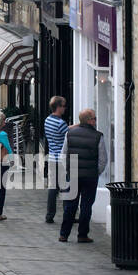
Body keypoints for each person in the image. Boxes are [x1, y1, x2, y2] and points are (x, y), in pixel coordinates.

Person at [59, 108, 107, 243]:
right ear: (89, 120)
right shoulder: (98, 136)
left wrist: (68, 169)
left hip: (73, 173)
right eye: (94, 118)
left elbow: (64, 154)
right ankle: (82, 234)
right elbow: (103, 159)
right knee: (86, 205)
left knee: (70, 205)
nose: (96, 121)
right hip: (90, 176)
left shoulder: (70, 133)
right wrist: (96, 172)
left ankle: (64, 234)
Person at [43, 95, 70, 223]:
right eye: (64, 106)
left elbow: (64, 130)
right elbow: (68, 136)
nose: (65, 108)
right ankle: (67, 213)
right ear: (58, 107)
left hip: (52, 158)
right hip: (62, 159)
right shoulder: (61, 123)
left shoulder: (47, 120)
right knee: (66, 188)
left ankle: (49, 215)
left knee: (53, 187)